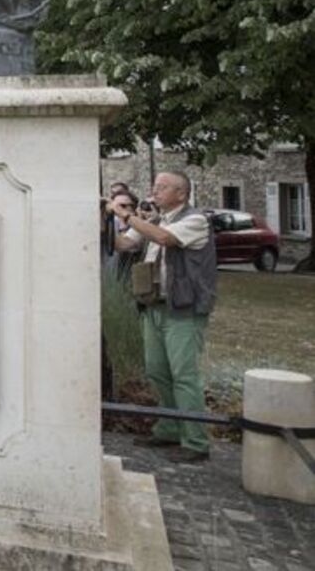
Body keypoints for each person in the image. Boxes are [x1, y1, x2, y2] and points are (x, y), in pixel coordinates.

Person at [111, 170, 216, 463]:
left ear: (181, 194)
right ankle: (169, 427)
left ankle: (195, 441)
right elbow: (124, 244)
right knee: (157, 370)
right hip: (153, 306)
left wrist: (127, 217)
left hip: (182, 308)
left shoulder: (195, 221)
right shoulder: (155, 220)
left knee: (184, 375)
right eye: (155, 187)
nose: (155, 191)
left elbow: (165, 239)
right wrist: (108, 218)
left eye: (162, 187)